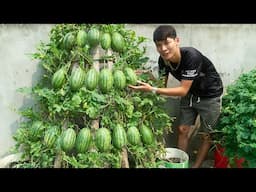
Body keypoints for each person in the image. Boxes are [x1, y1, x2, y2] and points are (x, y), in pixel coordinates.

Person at [128, 25, 223, 168]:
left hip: (209, 96)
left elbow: (182, 90)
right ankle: (181, 164)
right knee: (182, 130)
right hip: (191, 93)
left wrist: (152, 89)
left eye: (167, 43)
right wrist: (148, 75)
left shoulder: (191, 56)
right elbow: (162, 86)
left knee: (206, 135)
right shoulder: (163, 60)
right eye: (159, 45)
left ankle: (196, 166)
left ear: (177, 40)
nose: (163, 48)